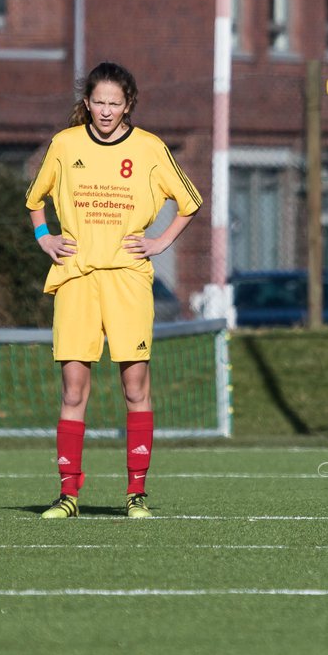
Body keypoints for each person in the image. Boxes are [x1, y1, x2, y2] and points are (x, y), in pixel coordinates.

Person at [25, 61, 201, 519]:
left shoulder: (149, 148)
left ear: (129, 106)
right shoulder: (65, 145)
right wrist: (45, 238)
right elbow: (35, 200)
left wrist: (160, 241)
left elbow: (189, 201)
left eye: (114, 104)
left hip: (127, 279)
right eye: (98, 102)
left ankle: (136, 494)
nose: (105, 111)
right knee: (73, 388)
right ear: (87, 103)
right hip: (78, 277)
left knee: (135, 384)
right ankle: (68, 496)